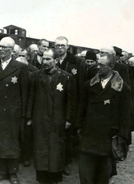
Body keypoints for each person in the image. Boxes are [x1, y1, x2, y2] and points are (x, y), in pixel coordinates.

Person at [76, 54, 130, 184]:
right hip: (88, 137)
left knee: (102, 177)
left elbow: (125, 116)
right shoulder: (88, 85)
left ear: (111, 66)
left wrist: (121, 138)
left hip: (107, 138)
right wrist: (78, 128)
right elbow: (81, 110)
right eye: (97, 64)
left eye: (101, 65)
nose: (97, 67)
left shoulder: (122, 88)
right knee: (86, 176)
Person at [26, 48, 76, 184]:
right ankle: (42, 179)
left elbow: (70, 101)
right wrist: (29, 117)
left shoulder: (66, 77)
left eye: (48, 59)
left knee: (56, 150)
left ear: (55, 60)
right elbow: (30, 97)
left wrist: (68, 119)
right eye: (44, 58)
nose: (45, 61)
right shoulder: (35, 76)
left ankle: (54, 179)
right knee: (40, 148)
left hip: (57, 121)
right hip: (40, 119)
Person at [0, 37, 29, 184]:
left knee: (12, 143)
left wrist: (23, 114)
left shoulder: (20, 67)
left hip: (12, 113)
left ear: (12, 50)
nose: (1, 50)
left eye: (4, 47)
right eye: (0, 47)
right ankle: (0, 172)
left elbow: (25, 93)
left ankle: (13, 173)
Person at [54, 36, 79, 175]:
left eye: (62, 45)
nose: (60, 48)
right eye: (57, 45)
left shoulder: (76, 62)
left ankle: (66, 163)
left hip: (69, 104)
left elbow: (80, 87)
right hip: (54, 104)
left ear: (67, 47)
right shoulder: (52, 60)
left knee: (67, 136)